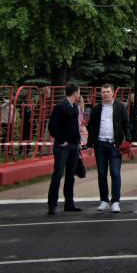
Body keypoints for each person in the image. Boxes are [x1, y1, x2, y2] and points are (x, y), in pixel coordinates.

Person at [87, 84, 129, 213]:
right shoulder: (96, 109)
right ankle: (104, 200)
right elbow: (92, 127)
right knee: (101, 174)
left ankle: (115, 201)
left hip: (114, 145)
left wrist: (128, 140)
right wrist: (89, 145)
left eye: (108, 91)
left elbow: (126, 124)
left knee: (115, 173)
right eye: (103, 92)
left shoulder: (120, 106)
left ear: (112, 93)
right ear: (101, 94)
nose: (105, 94)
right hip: (100, 144)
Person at [47, 84, 82, 216]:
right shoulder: (60, 106)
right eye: (78, 92)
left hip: (74, 146)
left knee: (70, 176)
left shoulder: (74, 107)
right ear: (74, 93)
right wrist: (62, 140)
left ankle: (69, 203)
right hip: (62, 147)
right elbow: (52, 126)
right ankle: (52, 205)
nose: (79, 95)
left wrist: (78, 142)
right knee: (58, 174)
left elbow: (75, 126)